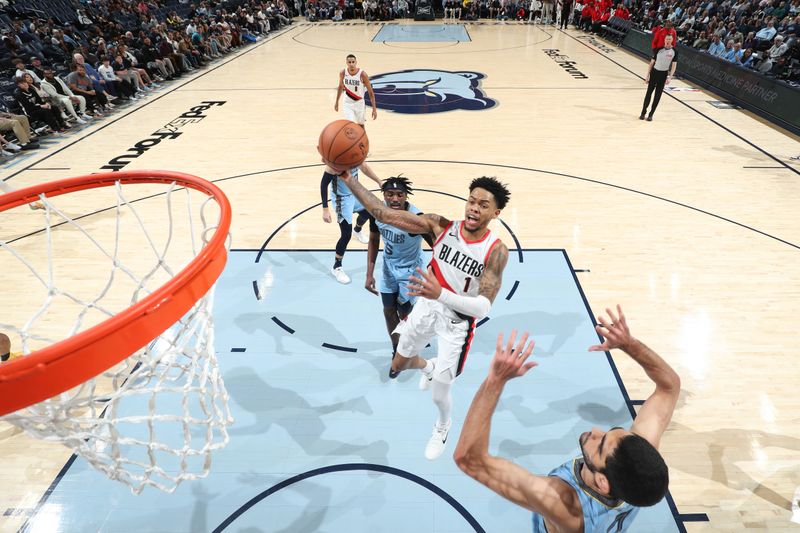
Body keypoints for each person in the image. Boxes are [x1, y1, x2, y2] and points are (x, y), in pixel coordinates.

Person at [454, 306, 680, 532]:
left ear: (602, 483)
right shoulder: (635, 470)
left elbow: (469, 459)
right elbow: (669, 386)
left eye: (600, 445)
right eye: (609, 432)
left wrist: (495, 382)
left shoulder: (563, 503)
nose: (595, 431)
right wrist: (628, 344)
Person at [342, 172, 510, 460]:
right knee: (400, 362)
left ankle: (443, 426)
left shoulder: (496, 251)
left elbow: (483, 308)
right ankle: (428, 368)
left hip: (456, 323)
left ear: (495, 213)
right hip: (426, 308)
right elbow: (382, 213)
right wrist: (348, 179)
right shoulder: (439, 227)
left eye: (483, 205)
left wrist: (440, 294)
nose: (473, 208)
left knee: (439, 395)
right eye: (471, 201)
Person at [364, 177, 428, 373]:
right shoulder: (378, 212)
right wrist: (369, 273)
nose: (394, 199)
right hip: (388, 268)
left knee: (404, 314)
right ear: (384, 196)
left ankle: (409, 349)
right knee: (388, 311)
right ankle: (397, 351)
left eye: (399, 194)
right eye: (390, 194)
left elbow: (438, 244)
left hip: (411, 271)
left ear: (406, 196)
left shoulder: (416, 217)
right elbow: (374, 239)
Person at [320, 161, 383, 284]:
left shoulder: (354, 156)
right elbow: (323, 184)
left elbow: (364, 167)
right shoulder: (334, 164)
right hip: (341, 199)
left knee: (370, 213)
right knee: (345, 234)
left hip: (355, 193)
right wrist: (325, 209)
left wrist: (379, 181)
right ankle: (337, 267)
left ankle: (357, 230)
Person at [640, 34, 677, 121]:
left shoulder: (674, 51)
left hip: (663, 74)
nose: (668, 40)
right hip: (654, 73)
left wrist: (670, 77)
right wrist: (647, 76)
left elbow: (674, 65)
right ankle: (643, 112)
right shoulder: (658, 50)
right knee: (649, 93)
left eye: (669, 39)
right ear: (664, 40)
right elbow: (651, 63)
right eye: (667, 39)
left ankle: (651, 114)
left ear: (672, 40)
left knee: (657, 95)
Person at [334, 54, 378, 126]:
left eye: (353, 62)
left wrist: (374, 109)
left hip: (359, 102)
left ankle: (362, 137)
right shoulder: (343, 73)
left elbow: (370, 92)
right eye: (349, 62)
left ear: (356, 62)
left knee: (361, 126)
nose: (351, 64)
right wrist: (336, 102)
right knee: (350, 124)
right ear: (346, 63)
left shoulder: (362, 74)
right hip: (347, 103)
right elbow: (340, 87)